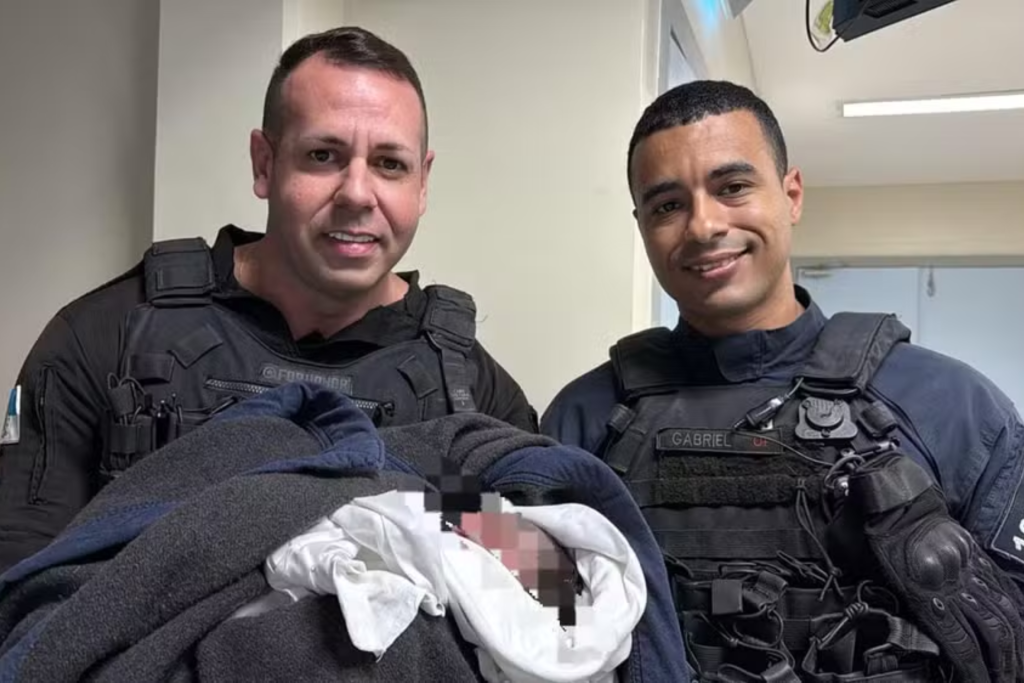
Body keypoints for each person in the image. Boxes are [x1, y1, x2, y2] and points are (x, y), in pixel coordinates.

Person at [0, 26, 537, 574]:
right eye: (323, 155)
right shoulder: (107, 338)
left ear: (422, 184)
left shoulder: (469, 394)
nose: (357, 193)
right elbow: (19, 581)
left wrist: (452, 501)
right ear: (265, 163)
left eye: (389, 164)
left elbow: (547, 585)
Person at [542, 80, 1024, 682]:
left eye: (733, 187)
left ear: (791, 194)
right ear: (641, 226)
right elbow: (529, 620)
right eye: (667, 206)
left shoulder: (953, 407)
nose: (703, 225)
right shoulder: (584, 417)